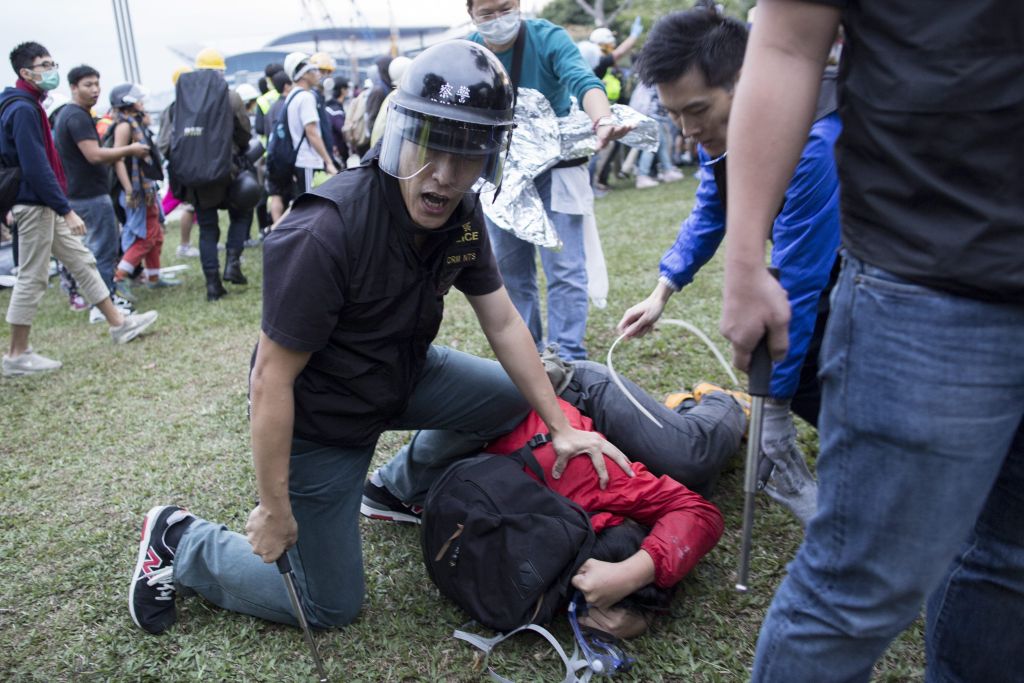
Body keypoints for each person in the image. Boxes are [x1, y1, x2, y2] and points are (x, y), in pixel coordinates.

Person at [128, 41, 628, 636]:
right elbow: (271, 379)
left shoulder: (463, 214)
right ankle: (180, 541)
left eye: (466, 155)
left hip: (403, 375)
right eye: (432, 149)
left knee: (514, 395)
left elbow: (502, 321)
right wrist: (273, 507)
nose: (444, 176)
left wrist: (561, 425)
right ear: (401, 133)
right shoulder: (326, 230)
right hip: (325, 418)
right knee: (329, 606)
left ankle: (394, 489)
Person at [716, 1, 1024, 681]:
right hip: (932, 273)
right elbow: (790, 41)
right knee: (855, 590)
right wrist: (743, 256)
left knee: (1010, 560)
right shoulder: (815, 150)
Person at [617, 9, 841, 527]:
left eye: (698, 109)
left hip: (864, 267)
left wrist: (774, 416)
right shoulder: (724, 130)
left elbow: (797, 281)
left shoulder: (815, 143)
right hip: (825, 267)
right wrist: (662, 290)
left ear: (749, 81)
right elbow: (713, 206)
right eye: (675, 115)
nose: (689, 130)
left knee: (813, 358)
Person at [466, 0, 631, 361]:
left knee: (565, 266)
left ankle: (567, 357)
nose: (499, 19)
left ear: (519, 5)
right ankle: (528, 355)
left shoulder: (548, 37)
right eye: (487, 13)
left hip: (557, 166)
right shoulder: (469, 52)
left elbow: (582, 79)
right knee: (511, 271)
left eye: (505, 8)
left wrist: (602, 119)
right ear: (472, 15)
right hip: (503, 176)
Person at [485, 397, 724, 639]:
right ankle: (722, 400)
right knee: (693, 461)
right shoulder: (590, 477)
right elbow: (702, 513)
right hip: (574, 392)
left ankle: (703, 407)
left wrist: (631, 583)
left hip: (526, 417)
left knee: (691, 469)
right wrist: (634, 574)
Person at [1, 42, 158, 376]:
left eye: (52, 62)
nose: (51, 69)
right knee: (32, 277)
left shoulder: (26, 105)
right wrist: (64, 208)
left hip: (41, 202)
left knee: (81, 260)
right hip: (36, 204)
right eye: (45, 64)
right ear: (26, 73)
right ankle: (16, 354)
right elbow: (34, 165)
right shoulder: (23, 109)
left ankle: (118, 322)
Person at [52, 64, 148, 315]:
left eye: (97, 84)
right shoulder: (76, 116)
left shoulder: (75, 115)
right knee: (103, 252)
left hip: (84, 193)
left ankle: (103, 302)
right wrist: (130, 150)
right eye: (88, 85)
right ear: (73, 87)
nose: (95, 90)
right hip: (90, 195)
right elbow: (94, 155)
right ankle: (104, 306)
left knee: (96, 250)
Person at [174, 47, 253, 301]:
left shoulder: (180, 102)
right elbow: (244, 134)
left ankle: (212, 285)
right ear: (221, 73)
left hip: (195, 178)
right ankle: (232, 264)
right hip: (226, 171)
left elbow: (168, 143)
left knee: (207, 229)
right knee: (241, 214)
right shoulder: (231, 97)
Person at [109, 84, 177, 294]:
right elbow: (118, 158)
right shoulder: (124, 126)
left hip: (146, 189)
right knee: (146, 237)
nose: (142, 103)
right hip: (137, 191)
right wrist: (130, 190)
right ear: (127, 102)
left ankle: (154, 277)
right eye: (139, 100)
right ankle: (119, 277)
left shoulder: (135, 123)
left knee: (155, 235)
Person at [281, 52, 338, 197]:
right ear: (304, 74)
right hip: (307, 161)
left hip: (300, 160)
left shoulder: (293, 95)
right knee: (307, 207)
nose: (317, 74)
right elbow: (312, 132)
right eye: (313, 70)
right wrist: (328, 161)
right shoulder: (306, 97)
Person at [324, 76, 349, 163]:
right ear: (342, 90)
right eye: (347, 88)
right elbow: (343, 130)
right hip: (338, 153)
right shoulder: (336, 111)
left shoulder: (328, 107)